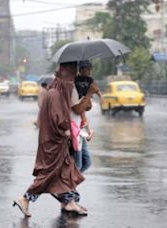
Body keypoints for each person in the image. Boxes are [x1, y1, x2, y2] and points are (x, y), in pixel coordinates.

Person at [13, 61, 99, 217]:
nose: (72, 79)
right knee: (50, 174)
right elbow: (58, 117)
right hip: (54, 142)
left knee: (64, 172)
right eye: (71, 75)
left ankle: (68, 200)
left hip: (56, 141)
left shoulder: (57, 91)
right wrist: (67, 130)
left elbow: (78, 110)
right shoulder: (55, 94)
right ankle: (25, 199)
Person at [72, 60, 99, 172]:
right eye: (86, 69)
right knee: (77, 165)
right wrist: (88, 94)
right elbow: (78, 109)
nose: (88, 72)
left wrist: (88, 130)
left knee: (86, 162)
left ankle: (69, 184)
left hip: (80, 129)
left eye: (89, 69)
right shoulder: (73, 86)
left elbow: (84, 110)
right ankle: (68, 185)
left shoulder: (87, 84)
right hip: (73, 130)